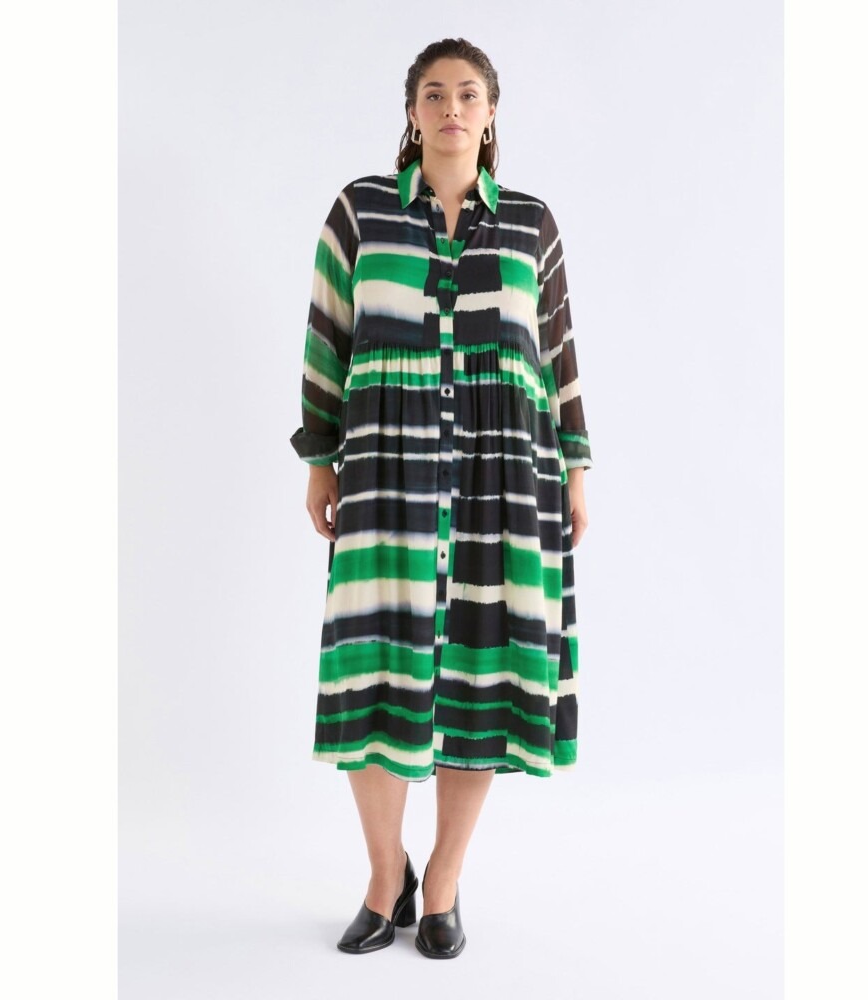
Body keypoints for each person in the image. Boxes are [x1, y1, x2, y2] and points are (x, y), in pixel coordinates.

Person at [289, 37, 592, 958]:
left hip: (506, 477)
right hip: (388, 469)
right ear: (412, 112)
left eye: (467, 94)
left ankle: (446, 882)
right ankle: (387, 876)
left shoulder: (531, 223)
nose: (451, 108)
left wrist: (577, 468)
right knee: (374, 666)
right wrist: (320, 458)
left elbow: (559, 351)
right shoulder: (362, 211)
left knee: (481, 673)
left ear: (491, 113)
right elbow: (327, 336)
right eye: (434, 94)